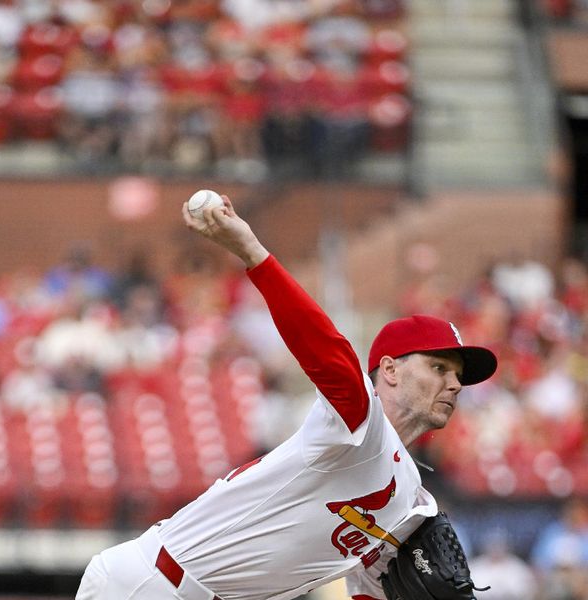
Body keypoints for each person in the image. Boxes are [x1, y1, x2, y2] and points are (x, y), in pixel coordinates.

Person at [75, 194, 498, 600]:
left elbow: (369, 590)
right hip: (152, 586)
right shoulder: (360, 426)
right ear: (388, 369)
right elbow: (326, 352)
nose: (455, 384)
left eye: (459, 375)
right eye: (438, 368)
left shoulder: (412, 502)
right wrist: (252, 253)